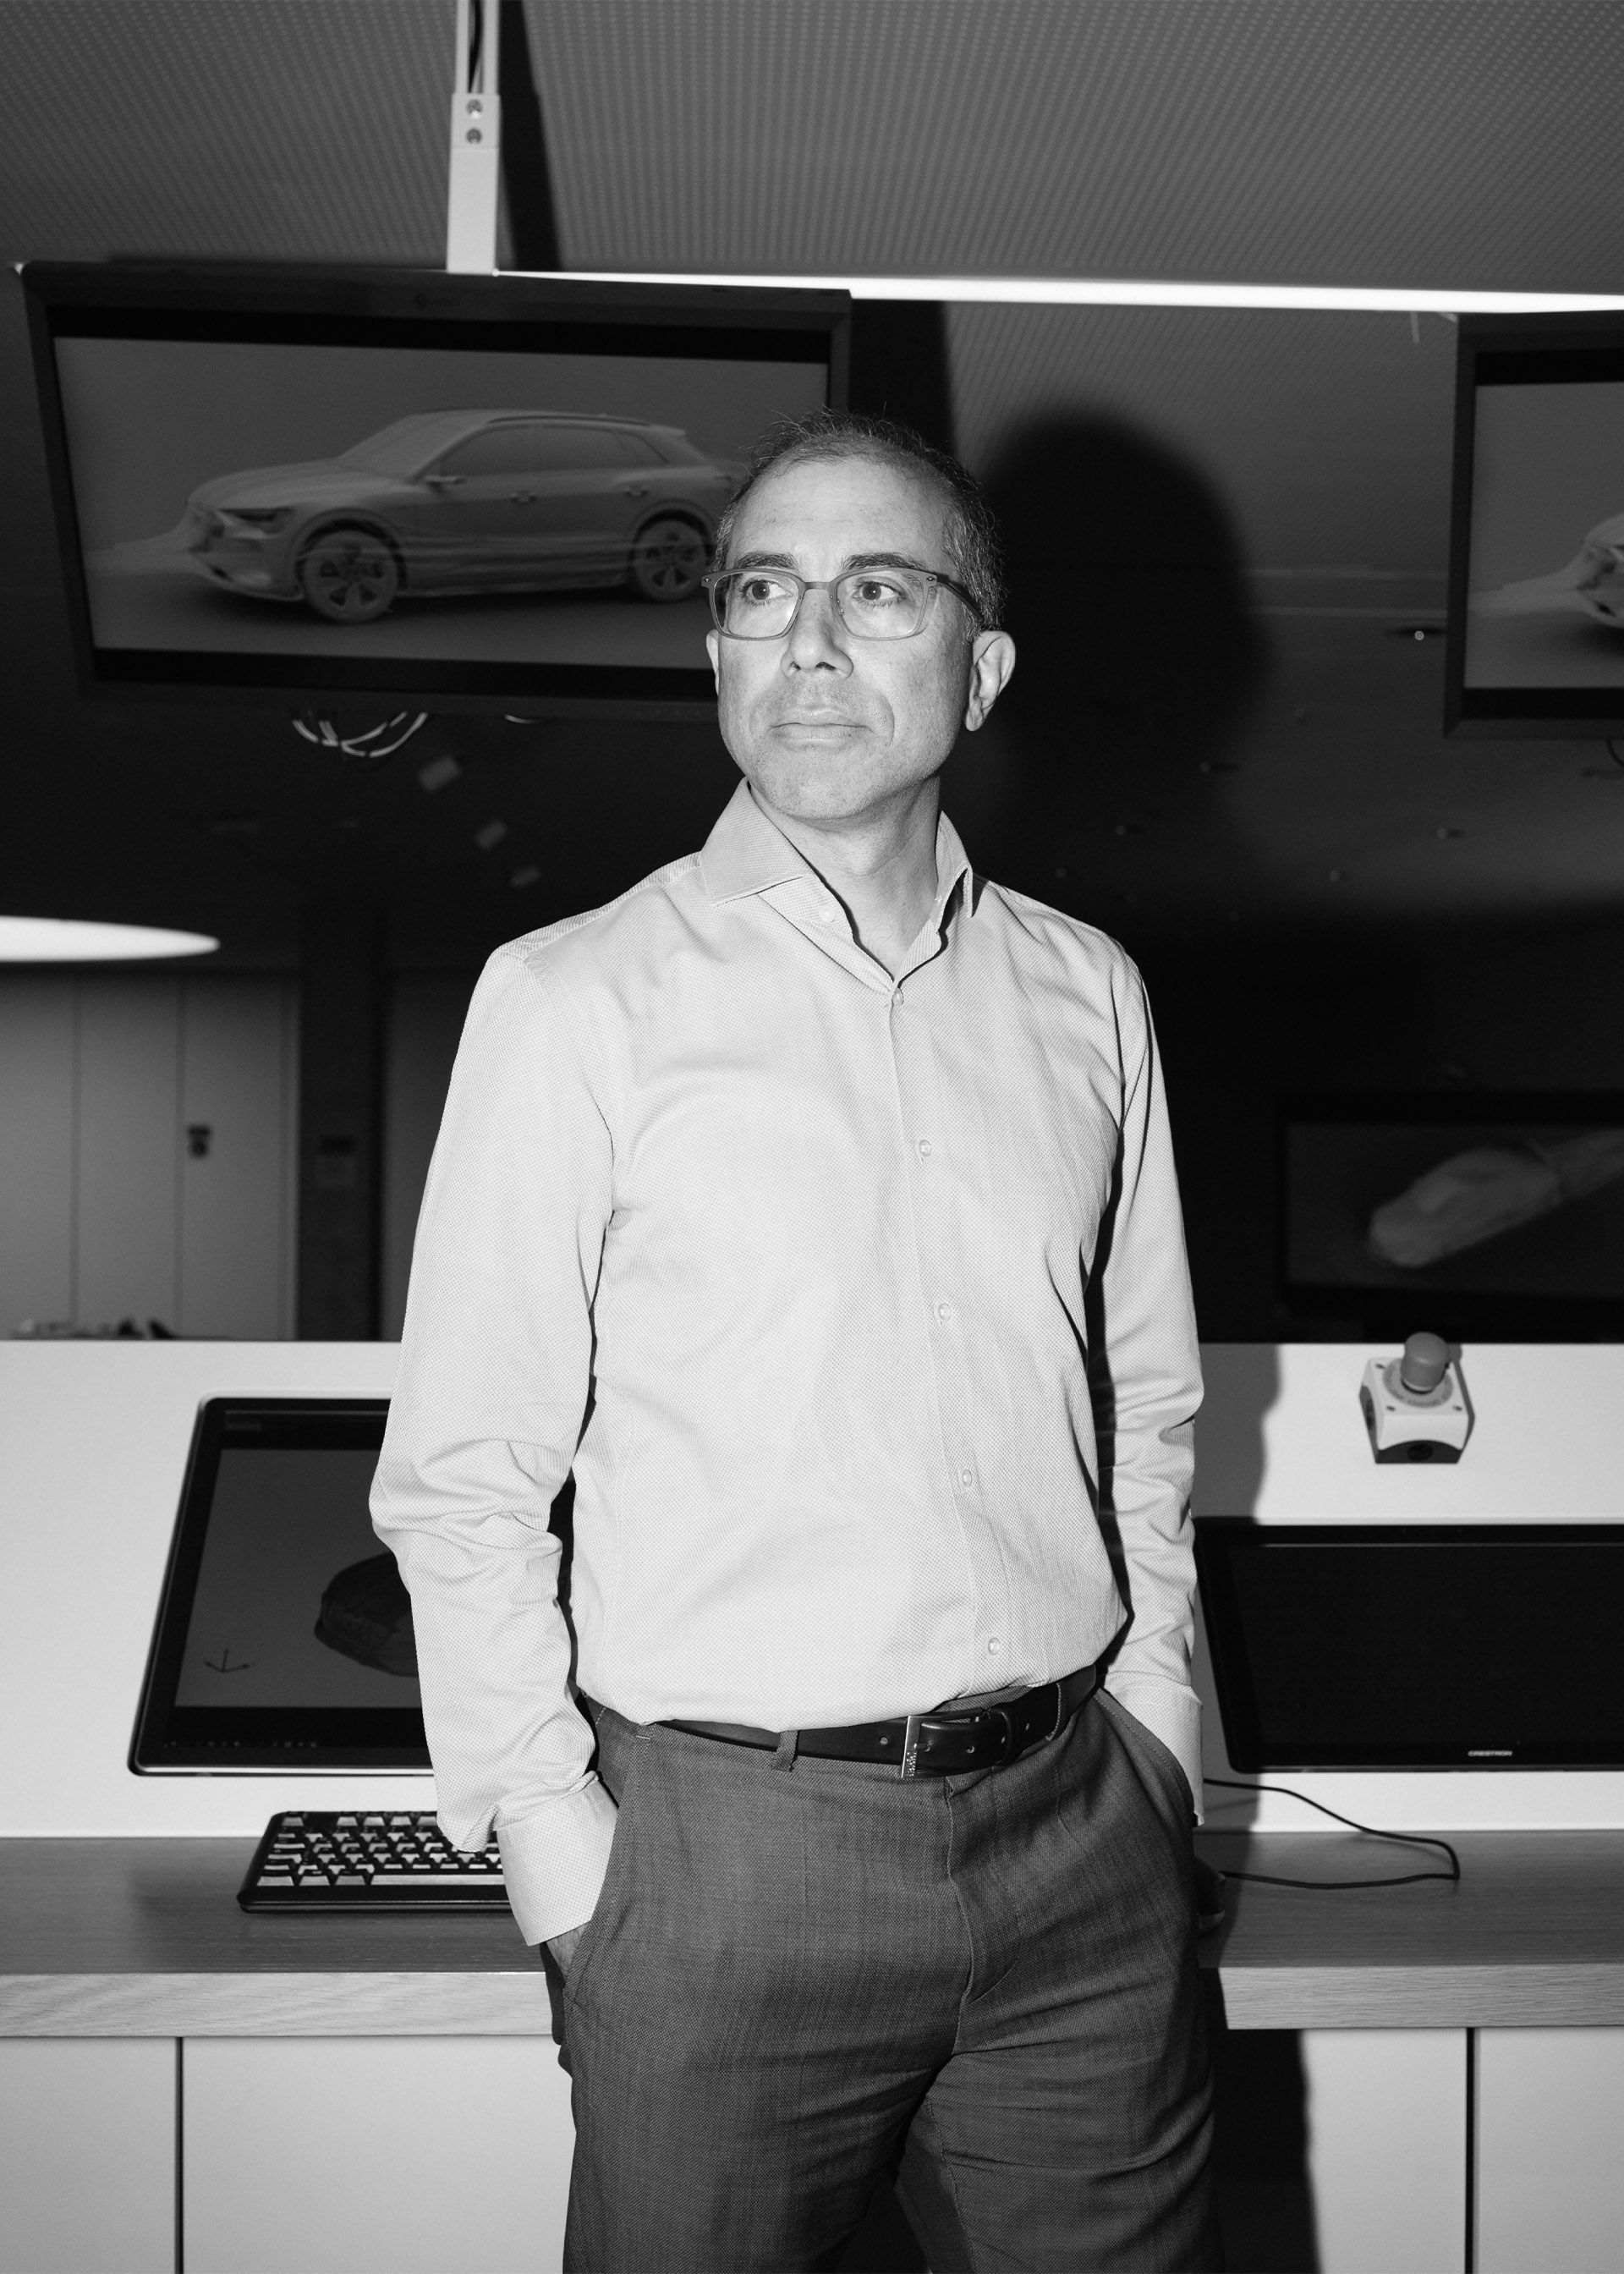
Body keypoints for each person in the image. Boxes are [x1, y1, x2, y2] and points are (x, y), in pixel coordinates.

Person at [372, 409, 1218, 2274]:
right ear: (718, 655)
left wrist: (1160, 1737)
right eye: (763, 592)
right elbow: (463, 1477)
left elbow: (1145, 1404)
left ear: (981, 670)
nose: (811, 641)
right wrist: (560, 1855)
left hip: (1083, 1840)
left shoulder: (1088, 993)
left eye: (879, 591)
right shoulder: (576, 999)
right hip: (722, 1867)